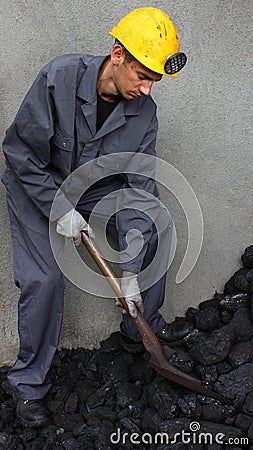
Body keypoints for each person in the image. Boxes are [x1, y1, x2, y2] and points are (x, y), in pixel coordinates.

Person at [1, 7, 190, 428]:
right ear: (118, 55)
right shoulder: (59, 78)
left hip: (97, 189)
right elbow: (18, 152)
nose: (146, 89)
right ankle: (28, 384)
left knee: (155, 222)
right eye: (143, 75)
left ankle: (140, 325)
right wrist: (59, 206)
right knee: (44, 281)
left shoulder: (144, 113)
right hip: (37, 185)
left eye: (154, 81)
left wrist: (132, 271)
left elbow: (140, 186)